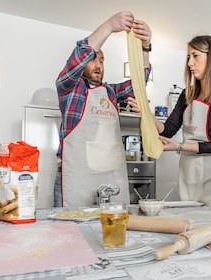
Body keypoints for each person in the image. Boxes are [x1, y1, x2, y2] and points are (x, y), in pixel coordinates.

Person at [128, 35, 211, 211]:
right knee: (190, 218)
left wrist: (180, 146)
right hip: (189, 171)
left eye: (195, 56)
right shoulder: (187, 94)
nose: (189, 63)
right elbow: (168, 130)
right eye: (188, 57)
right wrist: (146, 115)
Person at [54, 11, 152, 207]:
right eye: (93, 59)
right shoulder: (70, 87)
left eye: (101, 60)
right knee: (72, 233)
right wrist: (109, 26)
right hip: (76, 178)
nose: (98, 65)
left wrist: (145, 47)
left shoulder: (111, 92)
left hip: (109, 177)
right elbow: (77, 58)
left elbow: (139, 83)